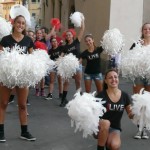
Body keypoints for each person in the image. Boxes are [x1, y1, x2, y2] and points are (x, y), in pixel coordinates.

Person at [0, 15, 36, 142]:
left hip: (22, 77)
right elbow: (1, 58)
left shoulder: (28, 40)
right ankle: (0, 132)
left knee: (22, 105)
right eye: (18, 23)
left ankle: (24, 132)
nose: (20, 25)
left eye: (23, 23)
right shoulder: (5, 40)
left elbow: (33, 59)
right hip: (8, 76)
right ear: (14, 24)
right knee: (3, 103)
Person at [96, 69, 133, 150]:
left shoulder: (125, 95)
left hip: (115, 128)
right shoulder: (100, 95)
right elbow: (92, 114)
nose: (113, 79)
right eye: (110, 78)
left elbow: (130, 115)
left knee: (114, 146)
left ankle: (107, 141)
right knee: (106, 123)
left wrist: (137, 113)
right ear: (105, 81)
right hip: (100, 127)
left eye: (115, 77)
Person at [130, 22, 150, 139]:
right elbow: (129, 57)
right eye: (145, 29)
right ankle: (139, 130)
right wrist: (137, 47)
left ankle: (145, 129)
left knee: (148, 103)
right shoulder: (137, 43)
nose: (147, 30)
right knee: (139, 102)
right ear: (142, 31)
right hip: (138, 75)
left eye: (149, 29)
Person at [59, 19, 85, 107]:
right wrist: (59, 62)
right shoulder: (65, 47)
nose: (68, 36)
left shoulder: (77, 41)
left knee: (78, 82)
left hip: (78, 65)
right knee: (66, 82)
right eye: (66, 35)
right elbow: (61, 56)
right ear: (65, 37)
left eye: (69, 35)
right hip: (68, 67)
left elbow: (82, 29)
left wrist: (82, 20)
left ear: (72, 35)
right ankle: (63, 100)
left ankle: (79, 100)